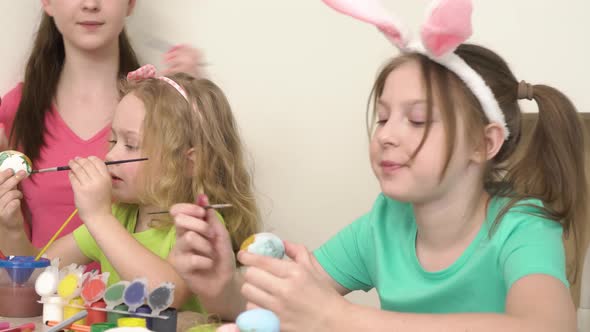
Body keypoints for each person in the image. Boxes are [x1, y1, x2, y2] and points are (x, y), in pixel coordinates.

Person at [176, 0, 586, 330]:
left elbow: (548, 325)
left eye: (418, 120)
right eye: (384, 117)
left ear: (484, 143)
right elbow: (283, 311)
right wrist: (222, 284)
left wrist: (344, 319)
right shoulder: (384, 223)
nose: (387, 135)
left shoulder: (523, 226)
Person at [1, 66, 260, 311]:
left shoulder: (200, 225)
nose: (111, 155)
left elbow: (169, 295)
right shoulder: (118, 217)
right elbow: (38, 276)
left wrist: (98, 217)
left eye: (131, 145)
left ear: (189, 162)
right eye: (113, 140)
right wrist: (10, 230)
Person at [0, 0, 203, 253]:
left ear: (130, 3)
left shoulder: (163, 108)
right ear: (48, 3)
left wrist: (194, 105)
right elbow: (27, 270)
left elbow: (204, 201)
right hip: (49, 287)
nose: (91, 4)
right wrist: (9, 229)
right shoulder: (14, 110)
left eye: (130, 144)